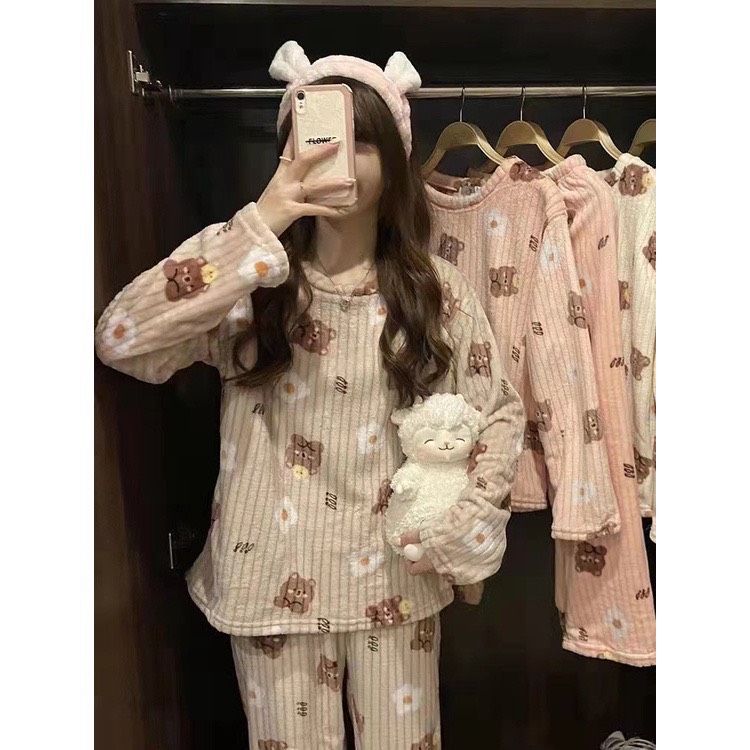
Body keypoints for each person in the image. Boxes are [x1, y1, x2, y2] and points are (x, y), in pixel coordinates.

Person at [95, 41, 524, 750]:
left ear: (395, 159)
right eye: (319, 138)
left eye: (362, 142)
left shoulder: (435, 295)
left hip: (397, 583)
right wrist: (255, 227)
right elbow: (122, 339)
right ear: (287, 151)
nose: (338, 158)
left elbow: (497, 412)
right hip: (268, 583)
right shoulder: (250, 284)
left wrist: (462, 529)